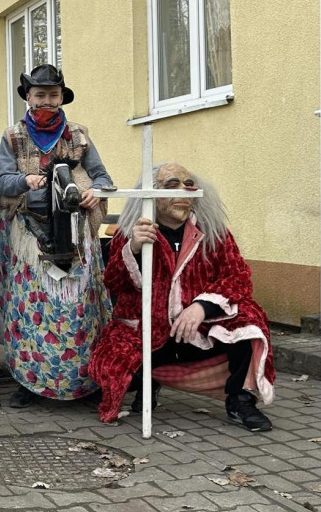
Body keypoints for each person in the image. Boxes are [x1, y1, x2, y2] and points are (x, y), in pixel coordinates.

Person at [89, 163, 276, 431]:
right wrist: (134, 247)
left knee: (250, 318)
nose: (183, 191)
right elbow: (114, 282)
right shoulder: (133, 232)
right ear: (153, 193)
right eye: (171, 184)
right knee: (113, 372)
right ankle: (145, 384)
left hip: (196, 334)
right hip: (145, 334)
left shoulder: (213, 234)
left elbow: (239, 277)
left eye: (188, 184)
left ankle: (240, 400)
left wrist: (202, 307)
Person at [0, 64, 113, 408]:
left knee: (77, 309)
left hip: (75, 237)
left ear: (62, 96)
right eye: (39, 95)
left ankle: (83, 381)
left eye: (53, 94)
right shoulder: (12, 136)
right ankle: (30, 383)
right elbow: (2, 180)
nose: (46, 100)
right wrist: (25, 181)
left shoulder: (79, 135)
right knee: (29, 311)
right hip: (28, 239)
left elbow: (102, 176)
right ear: (28, 98)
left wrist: (96, 192)